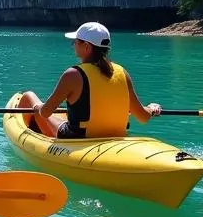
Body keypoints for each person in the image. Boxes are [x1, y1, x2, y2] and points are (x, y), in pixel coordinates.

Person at [21, 21, 161, 139]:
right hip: (115, 137)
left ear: (86, 47)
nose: (73, 45)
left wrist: (37, 107)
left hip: (77, 138)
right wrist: (151, 109)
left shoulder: (73, 74)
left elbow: (45, 113)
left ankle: (29, 134)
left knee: (29, 96)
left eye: (75, 42)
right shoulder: (122, 73)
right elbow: (143, 117)